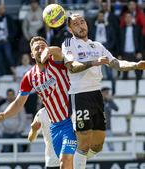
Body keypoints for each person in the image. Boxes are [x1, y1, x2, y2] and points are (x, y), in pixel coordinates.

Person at [61, 13, 145, 169]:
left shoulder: (97, 46)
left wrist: (135, 65)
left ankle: (75, 162)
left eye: (82, 22)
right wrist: (94, 62)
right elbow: (71, 67)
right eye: (76, 24)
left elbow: (116, 63)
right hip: (79, 95)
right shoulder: (68, 44)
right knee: (84, 140)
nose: (81, 25)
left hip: (96, 95)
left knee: (98, 144)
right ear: (70, 28)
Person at [0, 36, 77, 169]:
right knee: (64, 164)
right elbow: (18, 103)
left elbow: (59, 52)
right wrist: (4, 114)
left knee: (65, 161)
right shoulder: (29, 77)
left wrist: (48, 50)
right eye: (36, 48)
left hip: (72, 119)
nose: (40, 49)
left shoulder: (55, 62)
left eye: (43, 46)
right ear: (32, 54)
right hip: (56, 126)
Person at [101, 87, 118, 151]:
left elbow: (116, 109)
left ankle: (113, 160)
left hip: (108, 128)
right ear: (102, 93)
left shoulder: (109, 102)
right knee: (98, 147)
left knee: (111, 147)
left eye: (108, 93)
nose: (107, 94)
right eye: (106, 93)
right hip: (99, 128)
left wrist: (110, 100)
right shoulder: (98, 102)